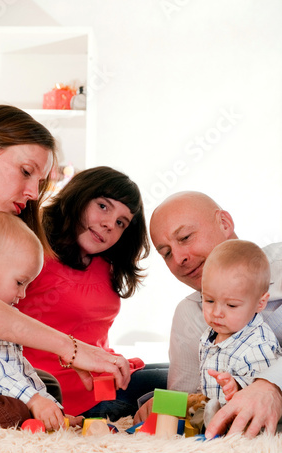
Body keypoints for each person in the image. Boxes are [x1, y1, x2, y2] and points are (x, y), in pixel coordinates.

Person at [0, 105, 131, 393]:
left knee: (44, 385)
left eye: (40, 182)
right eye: (25, 172)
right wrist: (70, 348)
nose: (33, 193)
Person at [18, 166, 169, 421]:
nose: (110, 224)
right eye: (103, 206)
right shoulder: (33, 250)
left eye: (121, 222)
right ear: (79, 196)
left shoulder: (104, 263)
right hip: (66, 394)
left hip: (109, 378)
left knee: (189, 370)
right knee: (182, 379)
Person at [134, 191, 282, 437]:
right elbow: (193, 399)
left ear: (224, 223)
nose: (180, 257)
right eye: (166, 253)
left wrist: (271, 386)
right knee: (134, 384)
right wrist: (170, 405)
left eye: (185, 237)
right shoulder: (188, 315)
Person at [0, 212, 83, 431]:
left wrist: (55, 410)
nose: (23, 294)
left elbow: (20, 369)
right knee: (10, 411)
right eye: (20, 282)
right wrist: (34, 401)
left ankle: (39, 420)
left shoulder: (0, 320)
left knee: (45, 388)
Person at [200, 239, 282, 404]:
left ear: (260, 303)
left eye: (231, 305)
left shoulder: (258, 344)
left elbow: (263, 391)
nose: (216, 313)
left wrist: (236, 385)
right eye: (209, 300)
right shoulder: (211, 334)